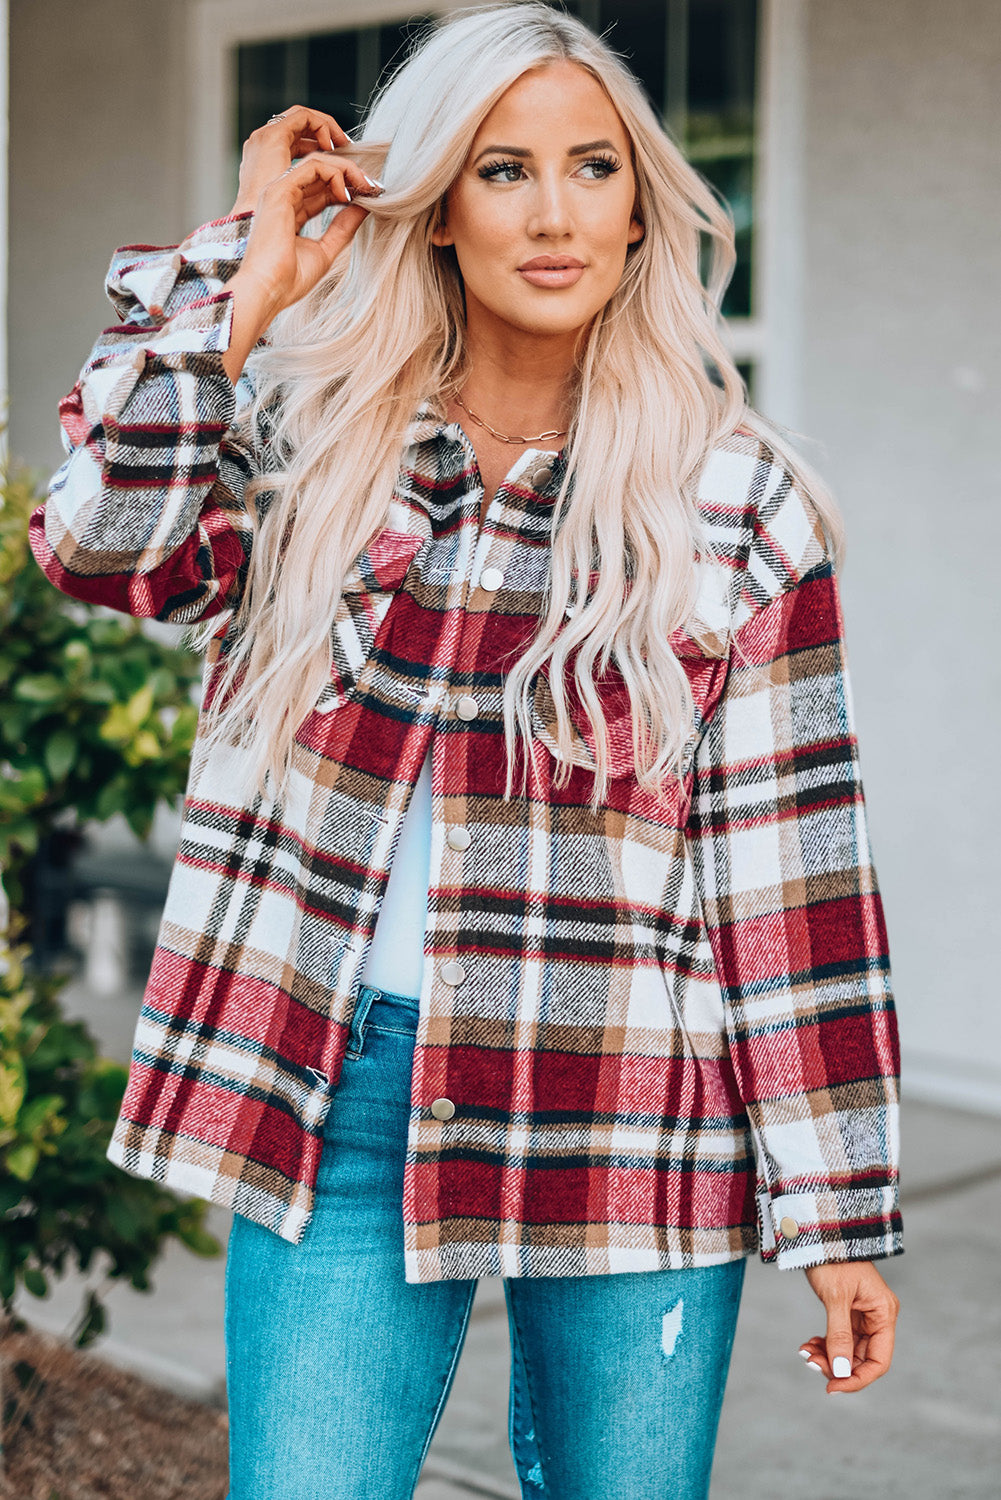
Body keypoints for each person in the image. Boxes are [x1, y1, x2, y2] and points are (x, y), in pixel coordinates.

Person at [30, 5, 904, 1497]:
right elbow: (101, 543)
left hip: (634, 1089)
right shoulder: (310, 442)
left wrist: (836, 1211)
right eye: (504, 170)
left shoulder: (737, 503)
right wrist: (241, 274)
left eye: (593, 168)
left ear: (640, 209)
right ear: (434, 208)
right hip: (343, 1093)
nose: (555, 212)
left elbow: (788, 879)